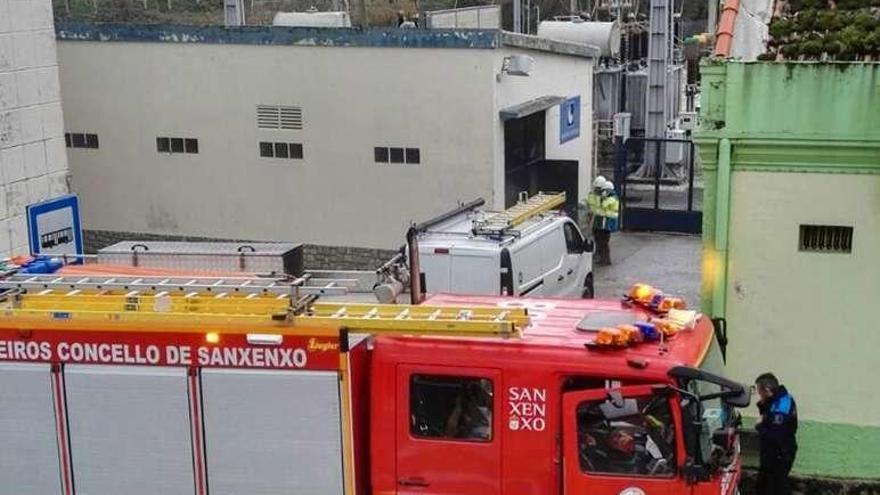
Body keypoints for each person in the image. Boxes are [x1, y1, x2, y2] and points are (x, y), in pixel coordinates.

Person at [754, 373, 798, 495]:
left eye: (759, 391)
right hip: (774, 453)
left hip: (780, 454)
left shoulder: (781, 408)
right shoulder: (781, 398)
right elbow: (768, 416)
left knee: (777, 487)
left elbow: (774, 436)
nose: (759, 394)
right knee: (763, 485)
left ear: (767, 390)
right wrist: (762, 405)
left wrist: (759, 426)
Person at [586, 177, 620, 265]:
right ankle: (600, 257)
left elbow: (604, 206)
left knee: (603, 242)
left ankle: (605, 260)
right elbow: (593, 205)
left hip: (606, 223)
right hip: (600, 221)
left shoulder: (612, 198)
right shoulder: (598, 195)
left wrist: (603, 198)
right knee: (599, 240)